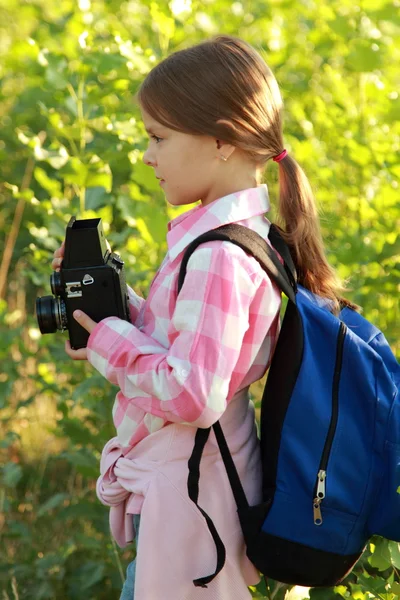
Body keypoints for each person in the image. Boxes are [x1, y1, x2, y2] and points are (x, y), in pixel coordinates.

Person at [52, 35, 344, 600]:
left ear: (222, 141)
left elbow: (192, 392)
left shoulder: (217, 256)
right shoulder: (235, 238)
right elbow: (193, 343)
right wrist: (114, 309)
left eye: (158, 138)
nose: (147, 155)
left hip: (190, 511)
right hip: (198, 491)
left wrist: (109, 341)